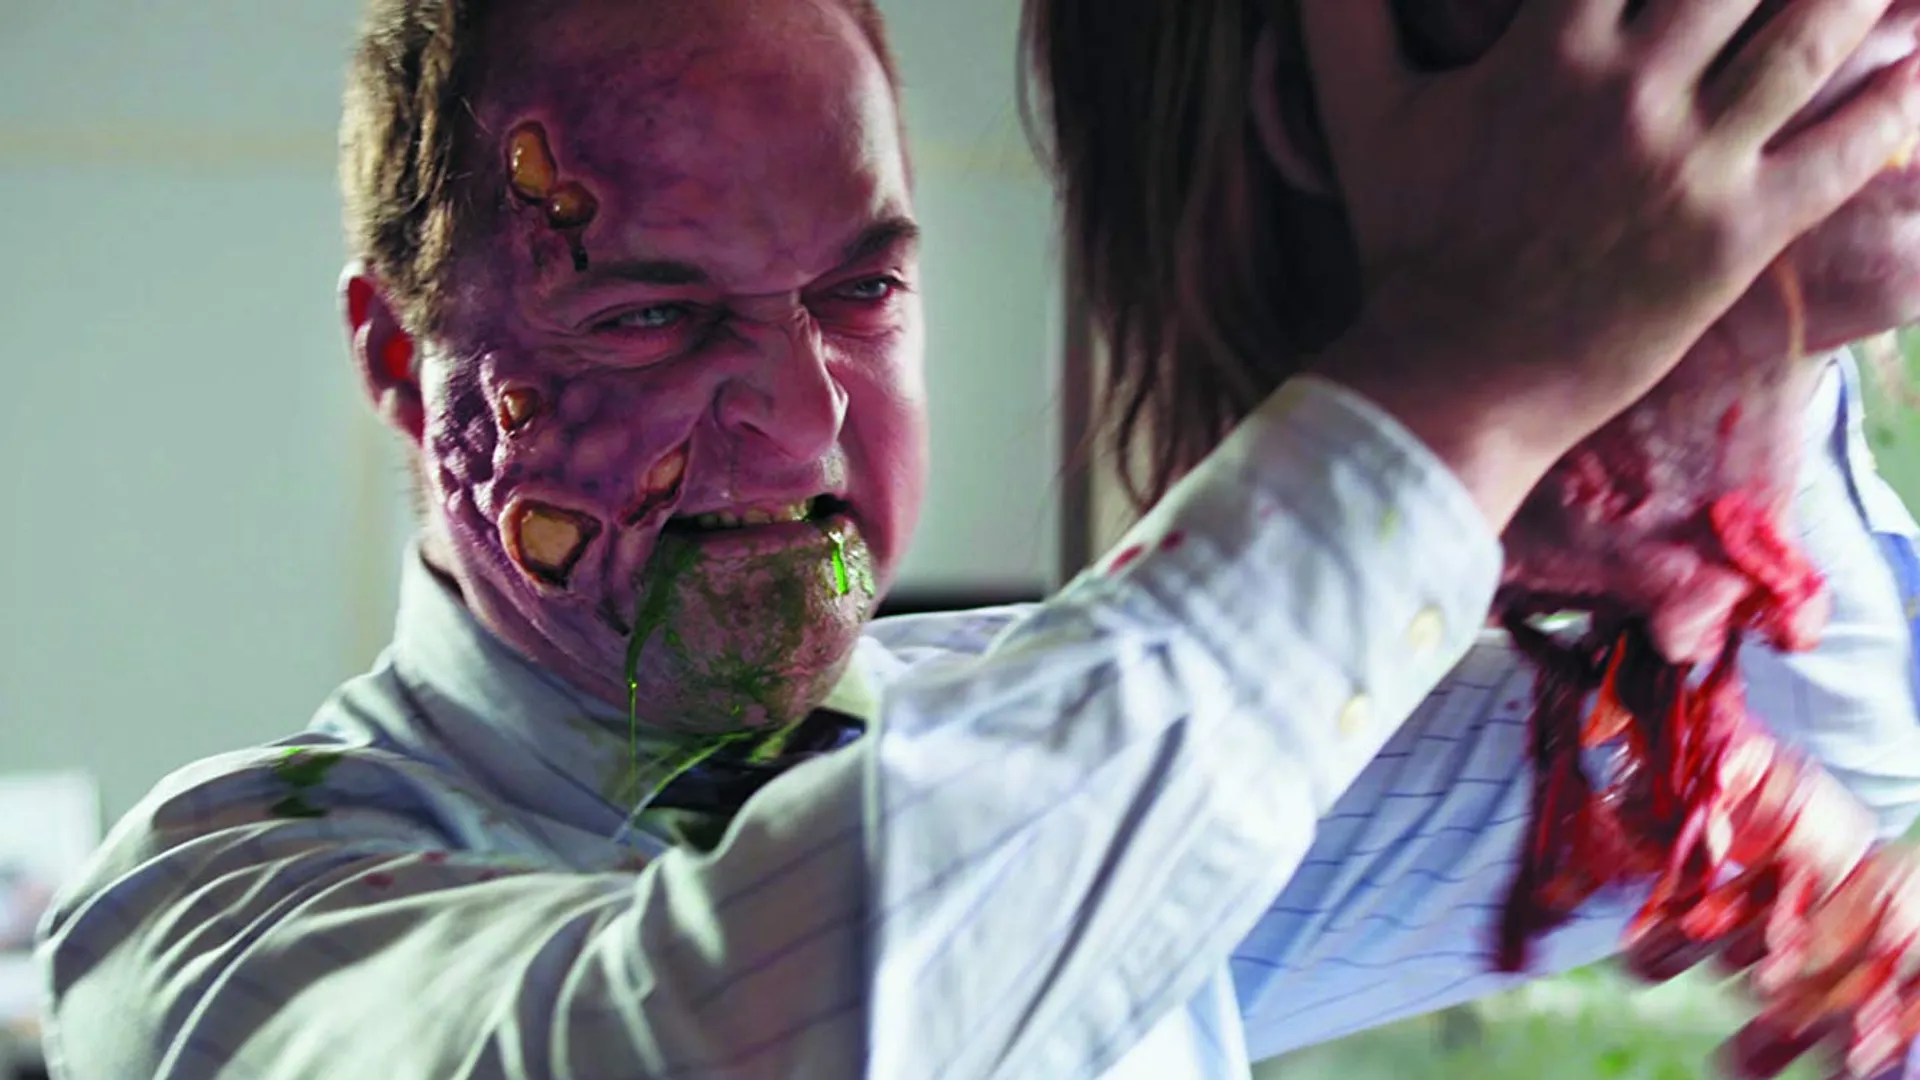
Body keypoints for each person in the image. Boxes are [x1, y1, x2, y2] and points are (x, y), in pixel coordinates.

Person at [29, 0, 1920, 1077]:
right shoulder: (200, 927)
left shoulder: (1034, 738)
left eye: (859, 293)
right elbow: (732, 1030)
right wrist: (1466, 373)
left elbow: (1807, 740)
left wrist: (1721, 302)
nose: (802, 419)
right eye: (654, 315)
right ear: (396, 356)